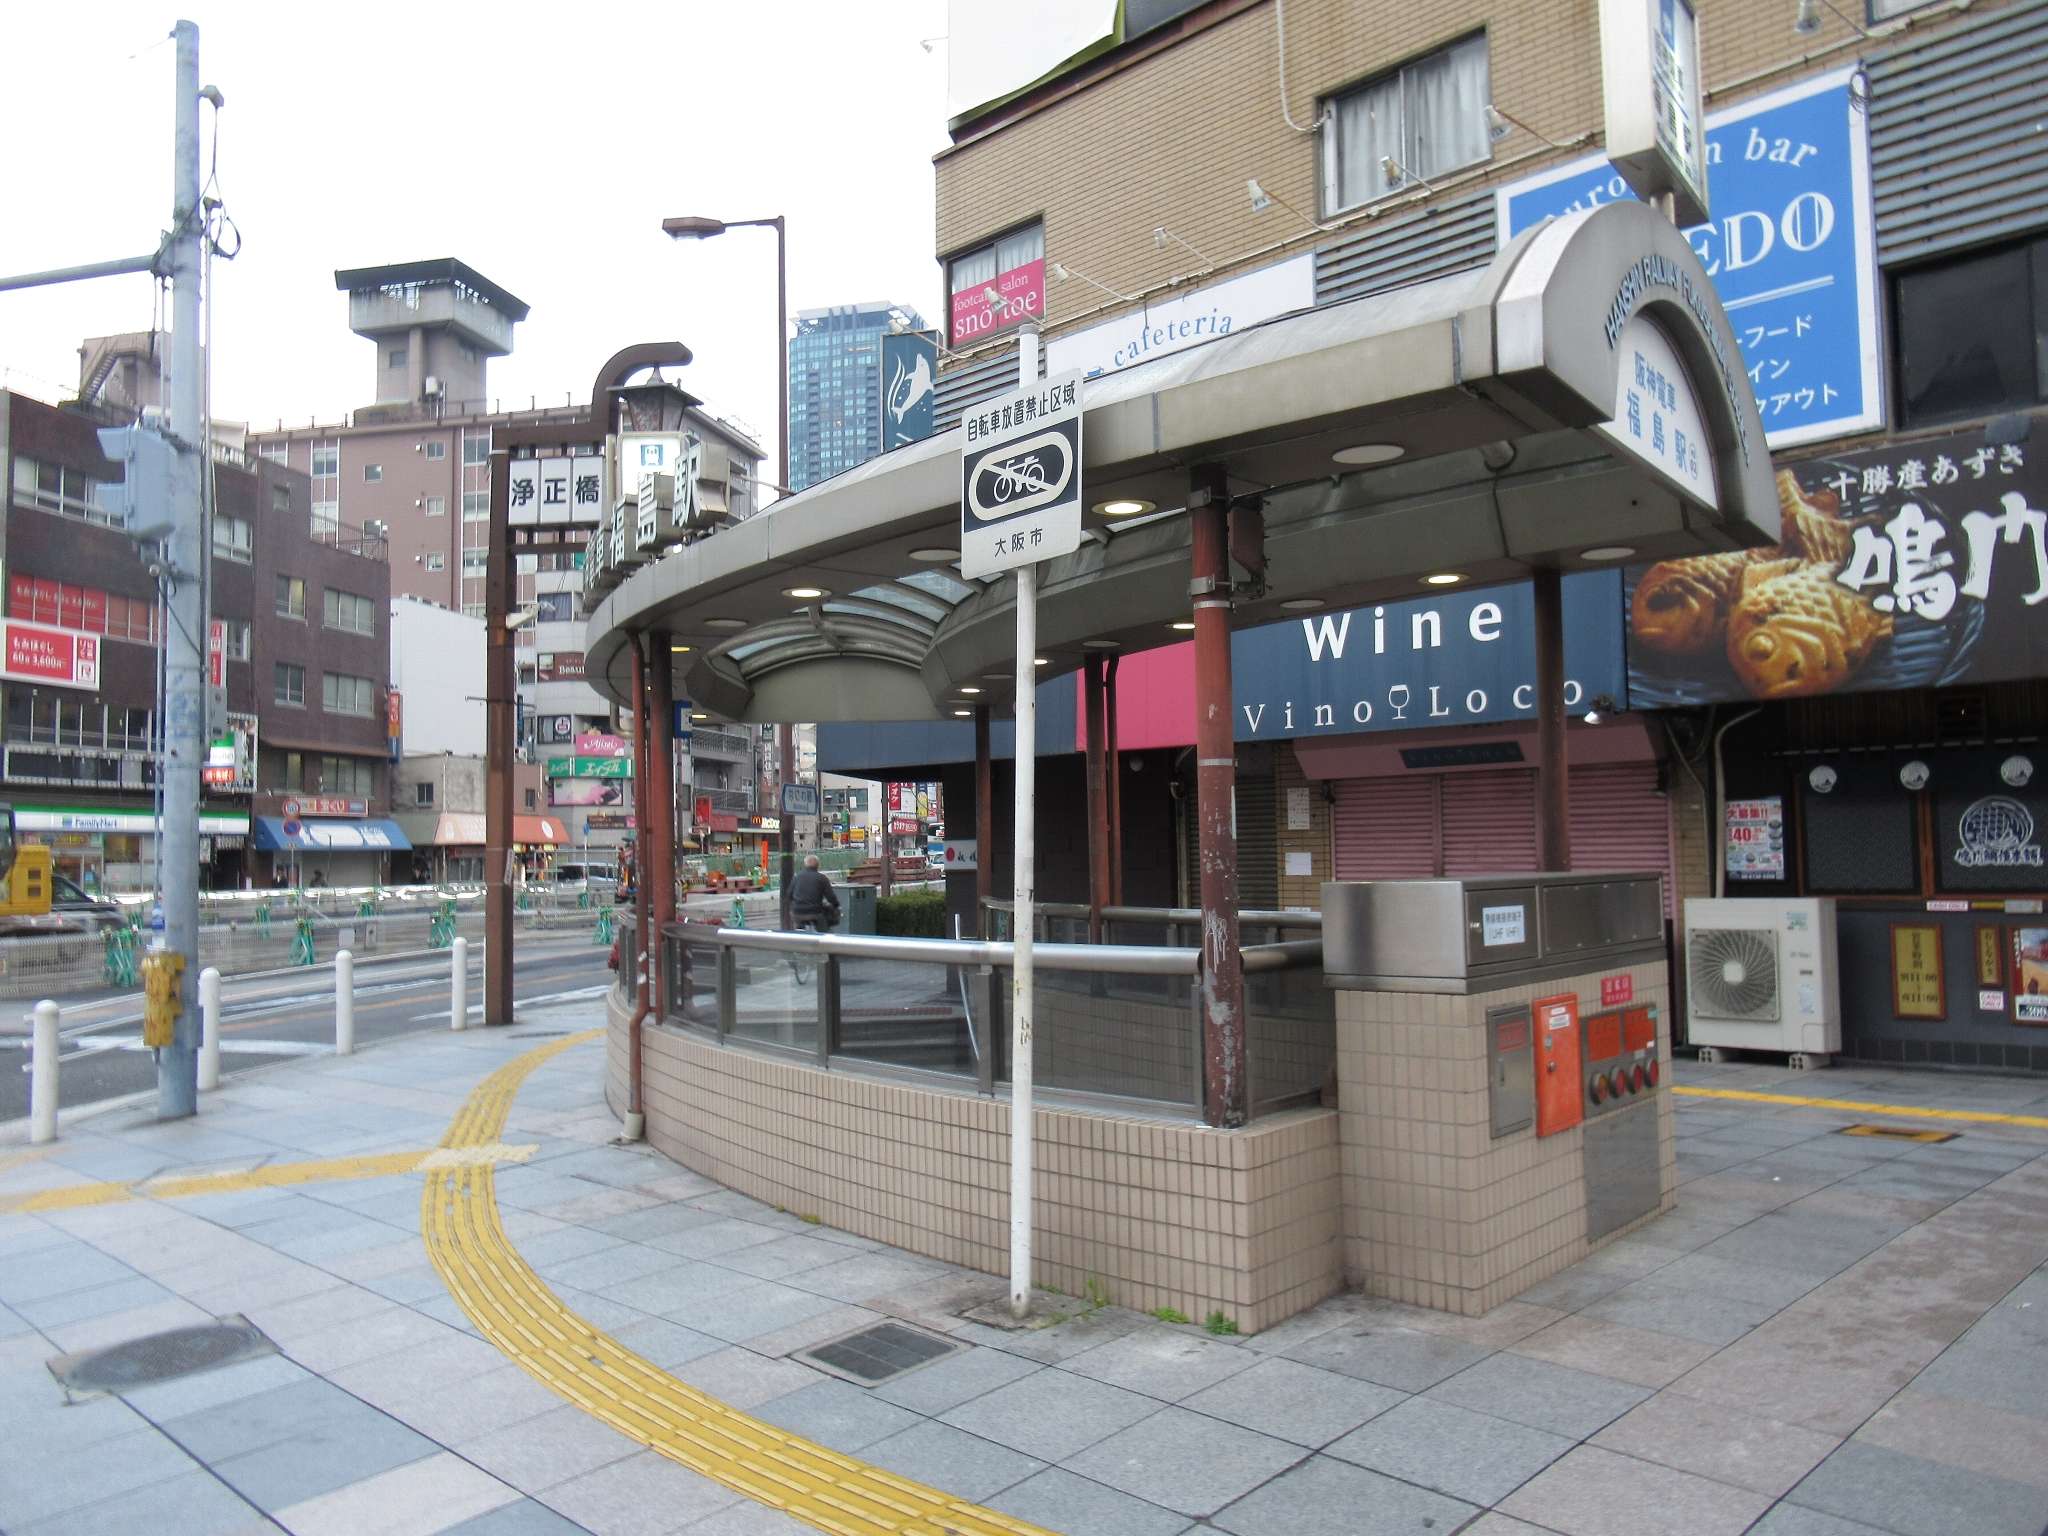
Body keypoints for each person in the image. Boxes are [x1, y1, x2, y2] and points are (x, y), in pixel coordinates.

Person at [787, 854, 840, 932]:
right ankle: (823, 934)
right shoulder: (822, 878)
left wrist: (795, 904)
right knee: (824, 926)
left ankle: (799, 930)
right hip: (815, 912)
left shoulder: (797, 877)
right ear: (818, 865)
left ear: (805, 865)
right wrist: (836, 906)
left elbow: (789, 894)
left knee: (799, 926)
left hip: (797, 912)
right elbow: (831, 897)